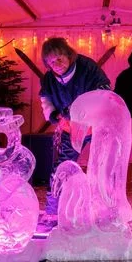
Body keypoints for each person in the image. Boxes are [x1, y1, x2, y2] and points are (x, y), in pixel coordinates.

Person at [37, 37, 111, 232]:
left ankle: (105, 210)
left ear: (68, 55)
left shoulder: (88, 68)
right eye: (51, 62)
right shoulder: (49, 79)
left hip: (96, 126)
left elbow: (104, 91)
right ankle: (53, 211)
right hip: (71, 128)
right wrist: (53, 115)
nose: (57, 65)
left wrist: (83, 108)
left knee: (103, 167)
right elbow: (45, 99)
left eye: (59, 59)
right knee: (62, 168)